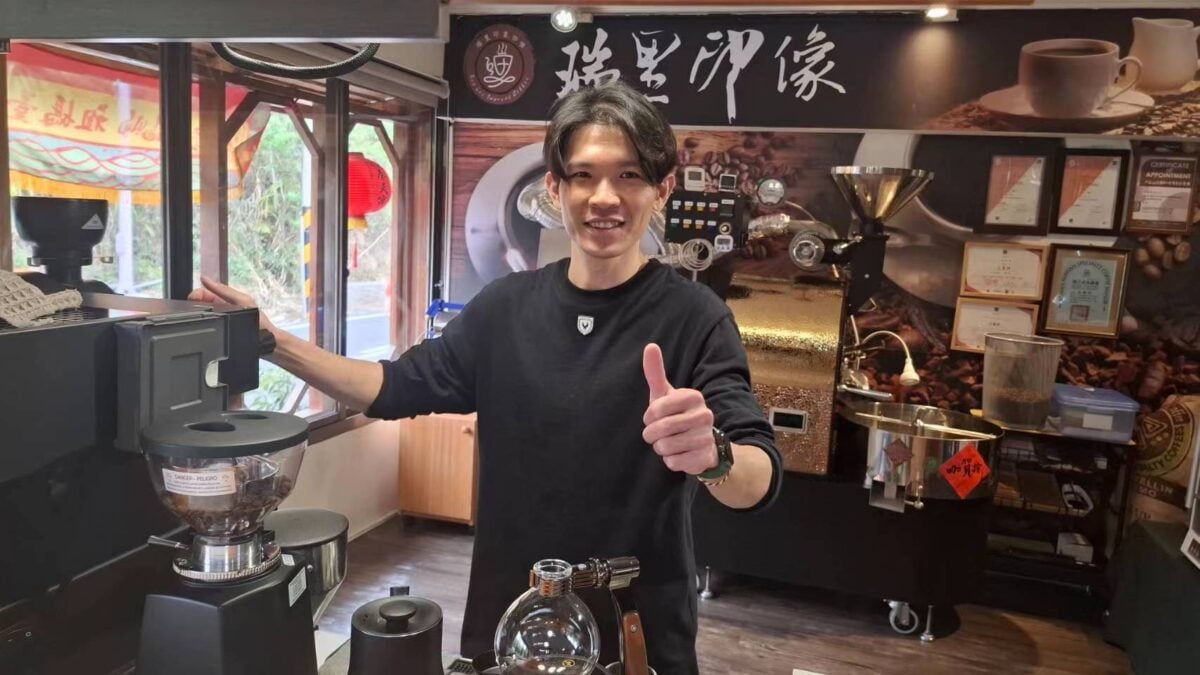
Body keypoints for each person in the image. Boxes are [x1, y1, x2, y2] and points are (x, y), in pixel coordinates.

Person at [190, 78, 781, 673]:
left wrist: (714, 456)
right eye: (583, 175)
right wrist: (273, 342)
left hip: (636, 632)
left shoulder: (696, 317)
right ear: (555, 188)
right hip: (509, 623)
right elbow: (391, 387)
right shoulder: (504, 308)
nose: (605, 197)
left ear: (662, 189)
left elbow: (757, 479)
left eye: (629, 175)